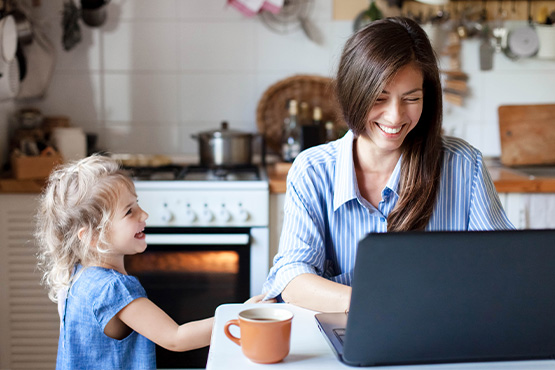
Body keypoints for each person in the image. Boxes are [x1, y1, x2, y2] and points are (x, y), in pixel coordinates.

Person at [262, 17, 514, 313]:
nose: (395, 117)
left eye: (412, 98)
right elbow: (293, 278)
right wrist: (378, 303)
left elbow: (503, 267)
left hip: (440, 335)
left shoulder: (463, 166)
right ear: (353, 93)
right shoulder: (312, 170)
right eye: (380, 98)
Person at [36, 155, 268, 369]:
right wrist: (242, 315)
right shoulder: (114, 289)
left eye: (137, 204)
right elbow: (176, 338)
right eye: (129, 212)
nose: (144, 214)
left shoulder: (77, 276)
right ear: (92, 236)